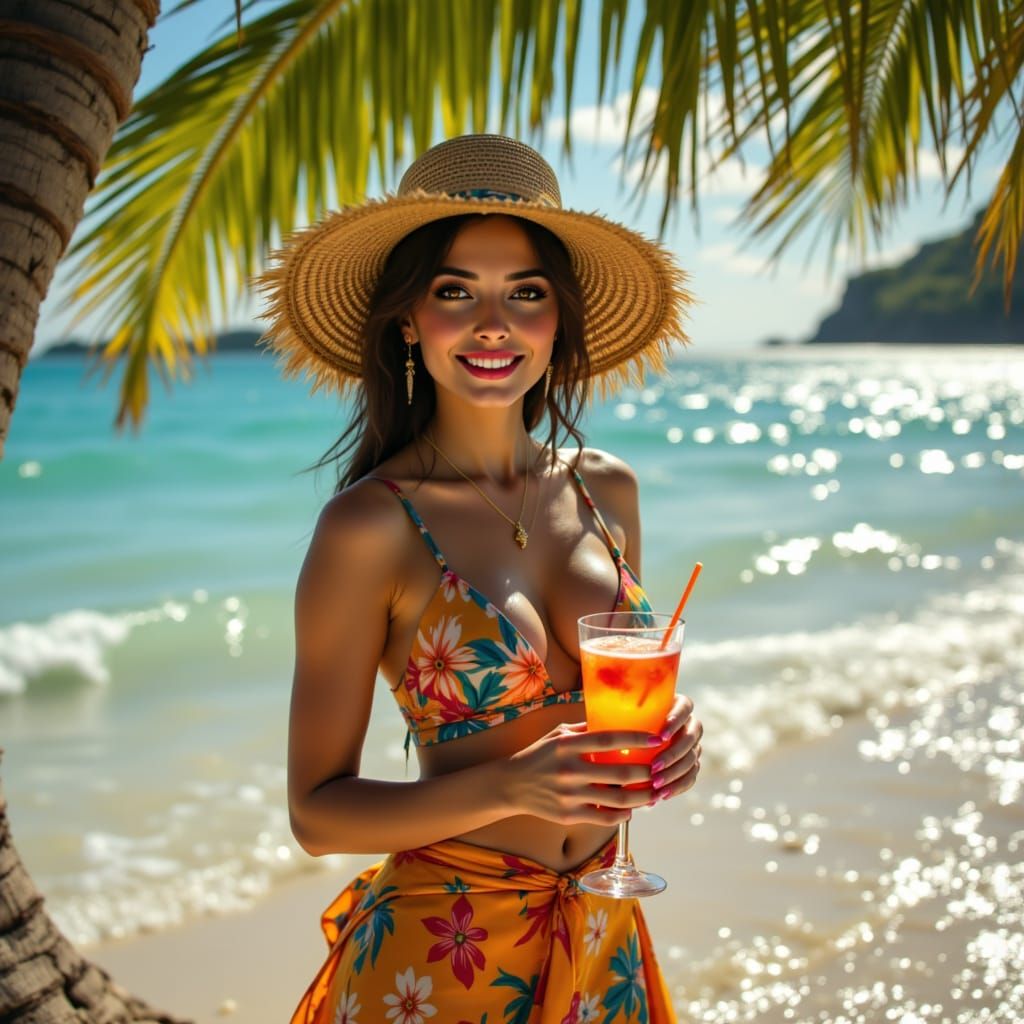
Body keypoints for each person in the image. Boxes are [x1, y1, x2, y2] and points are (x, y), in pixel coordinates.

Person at [253, 134, 704, 1024]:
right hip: (442, 954)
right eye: (454, 291)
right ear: (408, 321)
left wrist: (669, 742)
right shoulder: (370, 526)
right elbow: (318, 814)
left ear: (557, 321)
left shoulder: (606, 487)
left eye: (524, 294)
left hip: (604, 933)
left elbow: (606, 705)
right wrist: (509, 788)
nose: (492, 323)